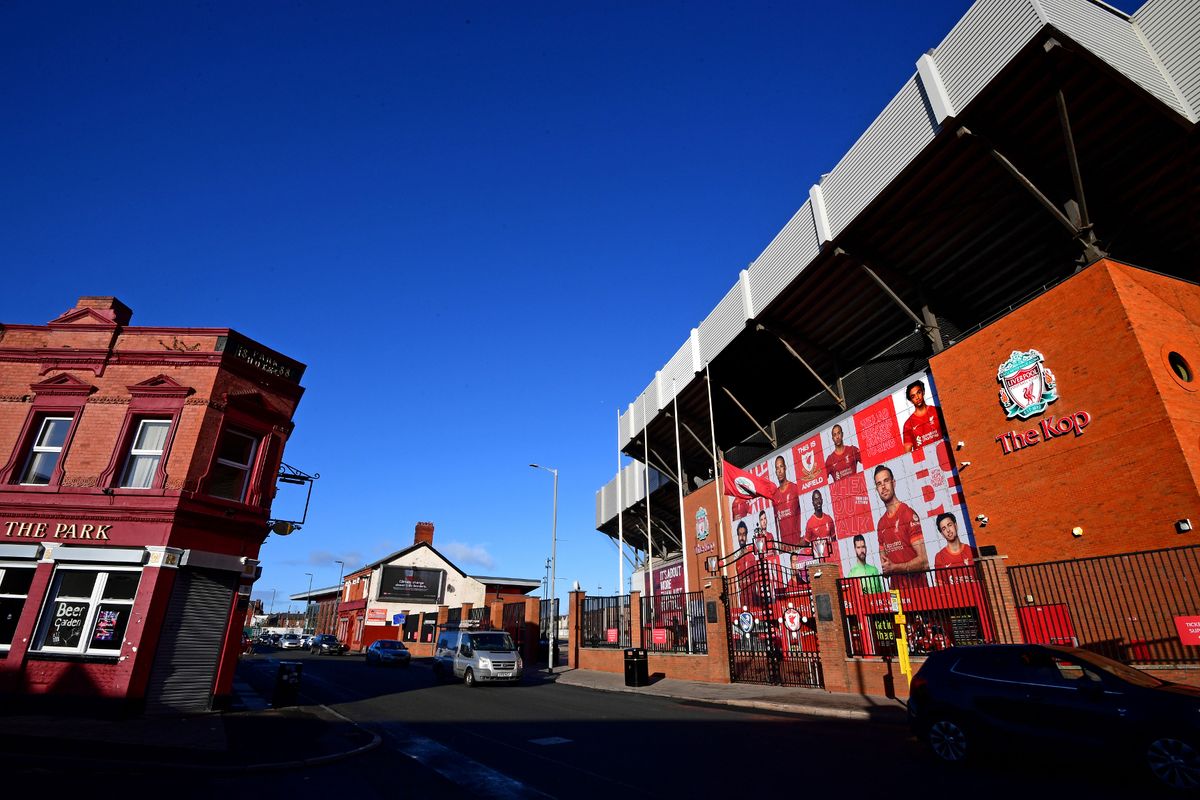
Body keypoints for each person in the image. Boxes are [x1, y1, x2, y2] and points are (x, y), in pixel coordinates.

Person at [873, 465, 928, 588]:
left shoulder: (907, 514)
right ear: (876, 489)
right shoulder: (881, 524)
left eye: (886, 481)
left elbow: (924, 561)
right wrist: (887, 569)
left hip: (919, 594)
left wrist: (895, 567)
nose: (883, 487)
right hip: (897, 596)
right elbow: (886, 568)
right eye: (879, 484)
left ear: (893, 483)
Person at [933, 512, 977, 584]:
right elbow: (940, 586)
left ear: (956, 525)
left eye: (949, 525)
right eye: (944, 529)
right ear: (942, 534)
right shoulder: (939, 557)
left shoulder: (972, 551)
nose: (948, 530)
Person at [902, 380, 944, 452]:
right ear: (911, 400)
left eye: (918, 392)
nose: (917, 397)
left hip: (943, 453)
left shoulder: (937, 411)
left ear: (923, 392)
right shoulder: (908, 424)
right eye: (913, 396)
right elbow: (907, 453)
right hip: (924, 460)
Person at [772, 455, 803, 547]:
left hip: (798, 545)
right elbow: (776, 523)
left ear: (785, 468)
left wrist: (802, 541)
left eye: (781, 467)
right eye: (777, 468)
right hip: (785, 548)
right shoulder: (774, 495)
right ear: (775, 472)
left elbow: (805, 511)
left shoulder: (795, 488)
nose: (779, 471)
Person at [803, 489, 836, 562]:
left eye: (819, 499)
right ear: (813, 503)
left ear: (822, 500)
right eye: (815, 499)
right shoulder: (810, 523)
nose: (818, 501)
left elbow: (834, 541)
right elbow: (806, 546)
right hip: (819, 562)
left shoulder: (829, 519)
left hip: (831, 560)